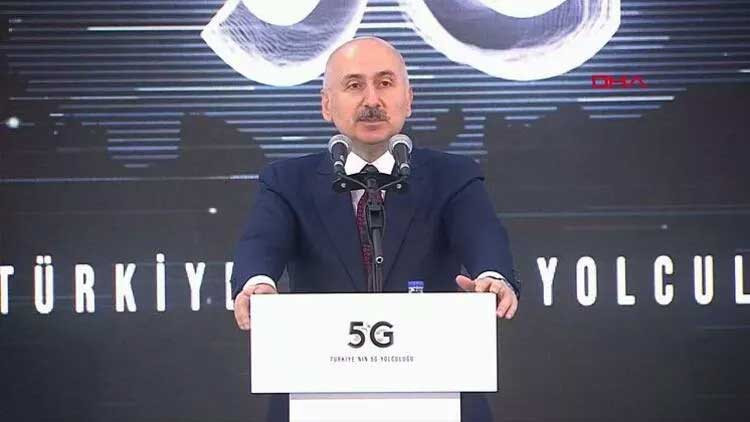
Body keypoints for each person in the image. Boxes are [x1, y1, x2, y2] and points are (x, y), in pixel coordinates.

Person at [231, 37, 519, 422]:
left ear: (408, 99)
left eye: (385, 83)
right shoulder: (286, 181)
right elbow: (261, 242)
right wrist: (257, 283)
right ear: (326, 105)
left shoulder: (454, 176)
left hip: (437, 392)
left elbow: (482, 235)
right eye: (354, 85)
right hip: (317, 395)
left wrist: (492, 276)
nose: (372, 100)